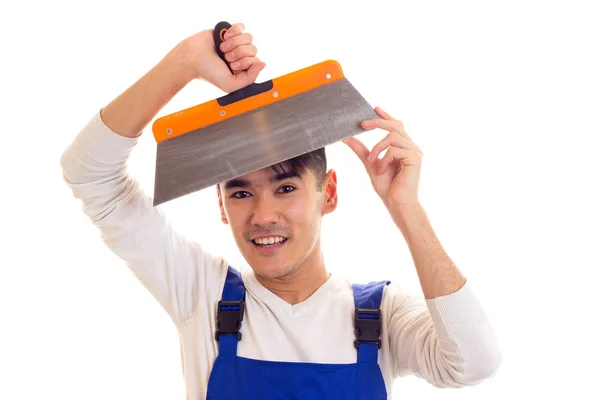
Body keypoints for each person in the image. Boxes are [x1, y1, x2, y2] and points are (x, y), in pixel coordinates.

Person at [60, 22, 501, 399]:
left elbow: (473, 364)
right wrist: (185, 61)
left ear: (328, 193)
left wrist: (406, 208)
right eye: (240, 193)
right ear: (220, 205)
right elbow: (88, 174)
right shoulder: (202, 295)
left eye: (285, 186)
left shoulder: (381, 315)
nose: (263, 215)